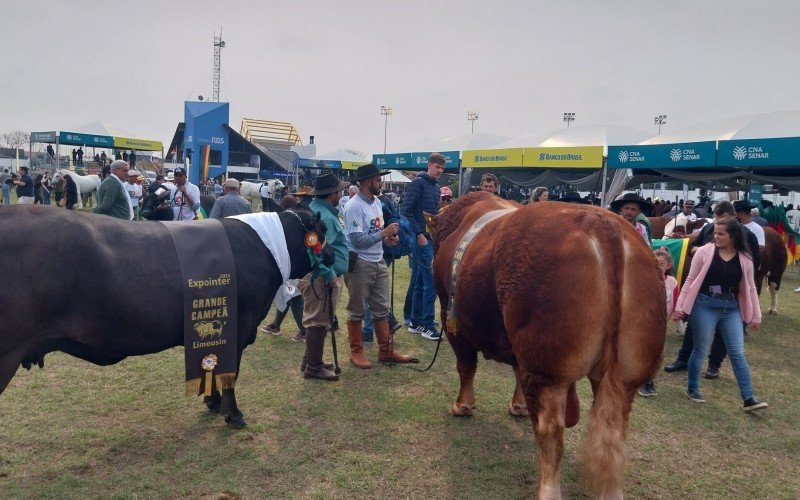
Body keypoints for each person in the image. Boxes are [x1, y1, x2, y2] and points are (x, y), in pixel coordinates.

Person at [673, 219, 767, 411]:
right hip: (705, 305)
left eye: (721, 234)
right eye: (715, 233)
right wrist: (680, 306)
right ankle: (692, 388)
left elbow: (750, 287)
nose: (716, 236)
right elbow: (690, 280)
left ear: (733, 236)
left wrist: (756, 316)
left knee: (737, 353)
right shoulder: (703, 252)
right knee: (701, 349)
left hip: (732, 308)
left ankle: (748, 398)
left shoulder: (745, 258)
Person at [664, 201, 760, 376]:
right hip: (704, 290)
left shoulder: (748, 235)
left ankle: (714, 365)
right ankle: (683, 360)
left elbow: (754, 263)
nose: (717, 224)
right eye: (716, 218)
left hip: (730, 294)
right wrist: (700, 252)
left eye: (722, 219)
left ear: (733, 217)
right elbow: (691, 247)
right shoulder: (708, 230)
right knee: (693, 327)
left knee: (723, 333)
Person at [345, 164, 415, 367]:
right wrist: (383, 234)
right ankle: (356, 351)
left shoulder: (376, 202)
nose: (381, 182)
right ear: (367, 182)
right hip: (360, 263)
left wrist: (386, 240)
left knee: (381, 308)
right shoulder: (353, 206)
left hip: (378, 260)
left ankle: (386, 351)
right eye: (378, 179)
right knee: (357, 309)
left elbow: (374, 233)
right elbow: (357, 240)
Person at [297, 172, 352, 380]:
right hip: (320, 276)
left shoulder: (321, 211)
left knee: (319, 319)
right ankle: (314, 366)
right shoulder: (324, 216)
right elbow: (316, 248)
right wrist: (329, 275)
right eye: (339, 190)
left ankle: (311, 359)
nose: (341, 193)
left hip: (321, 274)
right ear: (332, 194)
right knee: (317, 321)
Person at [401, 153, 444, 341]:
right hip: (420, 239)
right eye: (437, 168)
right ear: (429, 166)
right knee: (431, 282)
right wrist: (418, 234)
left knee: (419, 281)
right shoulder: (419, 183)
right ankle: (427, 324)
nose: (439, 171)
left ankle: (416, 321)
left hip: (429, 238)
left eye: (442, 169)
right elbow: (406, 210)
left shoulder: (435, 188)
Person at [639, 248, 679, 398]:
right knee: (644, 352)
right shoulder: (644, 281)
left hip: (661, 325)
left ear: (668, 266)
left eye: (661, 264)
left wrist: (677, 316)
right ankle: (642, 380)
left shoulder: (672, 282)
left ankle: (650, 380)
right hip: (645, 323)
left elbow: (674, 302)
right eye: (654, 263)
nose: (657, 267)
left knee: (659, 354)